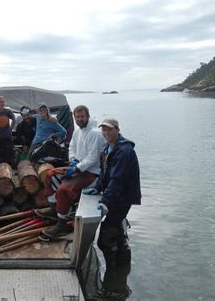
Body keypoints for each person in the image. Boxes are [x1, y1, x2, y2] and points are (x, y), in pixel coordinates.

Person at [38, 105, 105, 238]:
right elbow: (71, 147)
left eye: (82, 116)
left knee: (63, 189)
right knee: (50, 175)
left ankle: (61, 224)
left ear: (88, 116)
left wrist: (77, 168)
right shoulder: (77, 131)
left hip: (91, 173)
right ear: (74, 117)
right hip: (77, 168)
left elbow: (93, 158)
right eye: (77, 117)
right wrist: (73, 160)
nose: (80, 119)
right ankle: (54, 209)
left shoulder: (95, 133)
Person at [85, 118, 141, 277]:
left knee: (104, 241)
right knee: (117, 234)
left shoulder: (124, 151)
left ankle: (114, 274)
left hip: (121, 199)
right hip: (114, 196)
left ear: (117, 130)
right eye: (104, 130)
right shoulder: (107, 148)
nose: (106, 133)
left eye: (110, 130)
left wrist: (105, 202)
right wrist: (97, 187)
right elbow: (105, 173)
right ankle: (122, 270)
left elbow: (117, 179)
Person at [0, 95, 16, 165]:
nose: (0, 104)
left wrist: (10, 129)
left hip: (7, 137)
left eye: (2, 102)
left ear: (4, 103)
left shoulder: (8, 111)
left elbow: (14, 119)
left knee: (8, 156)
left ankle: (7, 171)